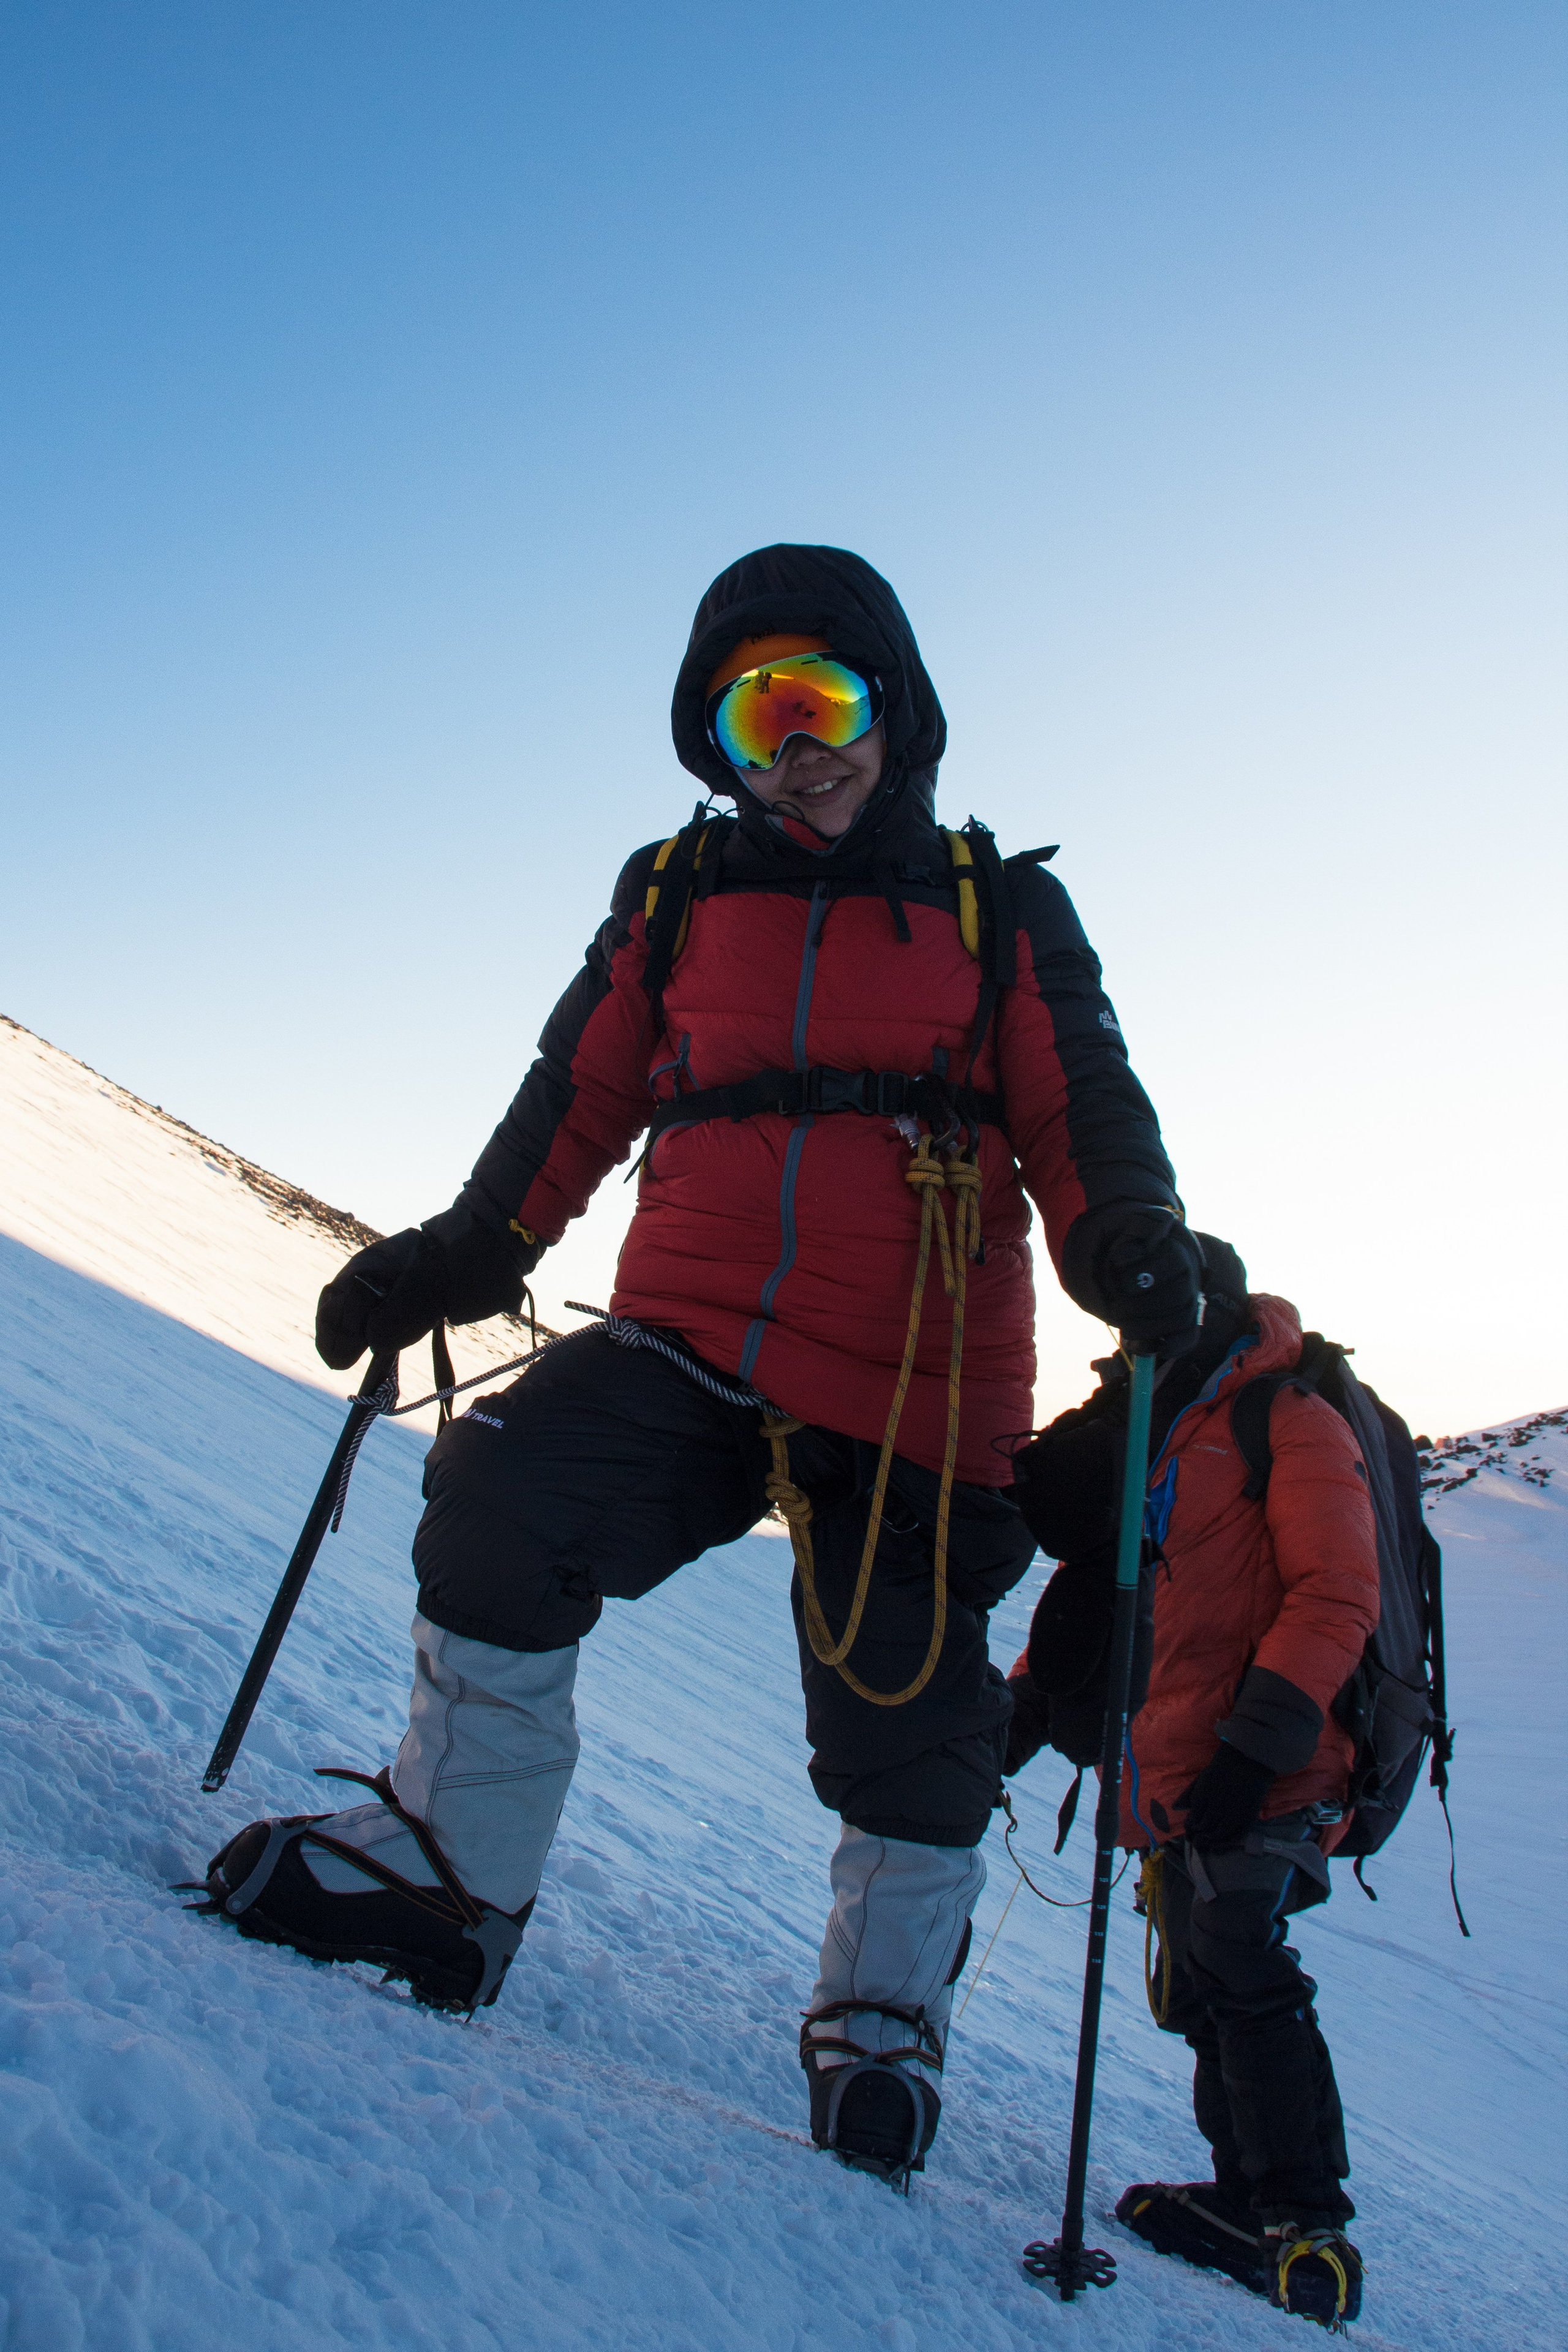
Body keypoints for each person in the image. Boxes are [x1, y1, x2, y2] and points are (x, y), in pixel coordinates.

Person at [197, 541, 1200, 2184]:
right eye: (755, 714)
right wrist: (468, 1251)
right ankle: (452, 1882)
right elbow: (576, 1092)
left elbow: (1083, 1106)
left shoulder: (997, 908)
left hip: (916, 1378)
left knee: (917, 1711)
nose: (798, 747)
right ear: (716, 744)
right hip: (696, 1341)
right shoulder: (674, 894)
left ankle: (880, 2030)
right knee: (504, 1497)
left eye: (827, 700)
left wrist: (1128, 1236)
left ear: (899, 709)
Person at [1006, 1237, 1377, 2326]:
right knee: (1206, 1977)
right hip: (1180, 1759)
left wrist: (1255, 1751)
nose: (1138, 1336)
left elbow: (1337, 1595)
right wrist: (1025, 1713)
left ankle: (1307, 2224)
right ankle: (1248, 2201)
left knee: (1236, 1955)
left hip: (1270, 1758)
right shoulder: (1166, 1432)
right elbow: (1116, 1592)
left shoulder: (1287, 1420)